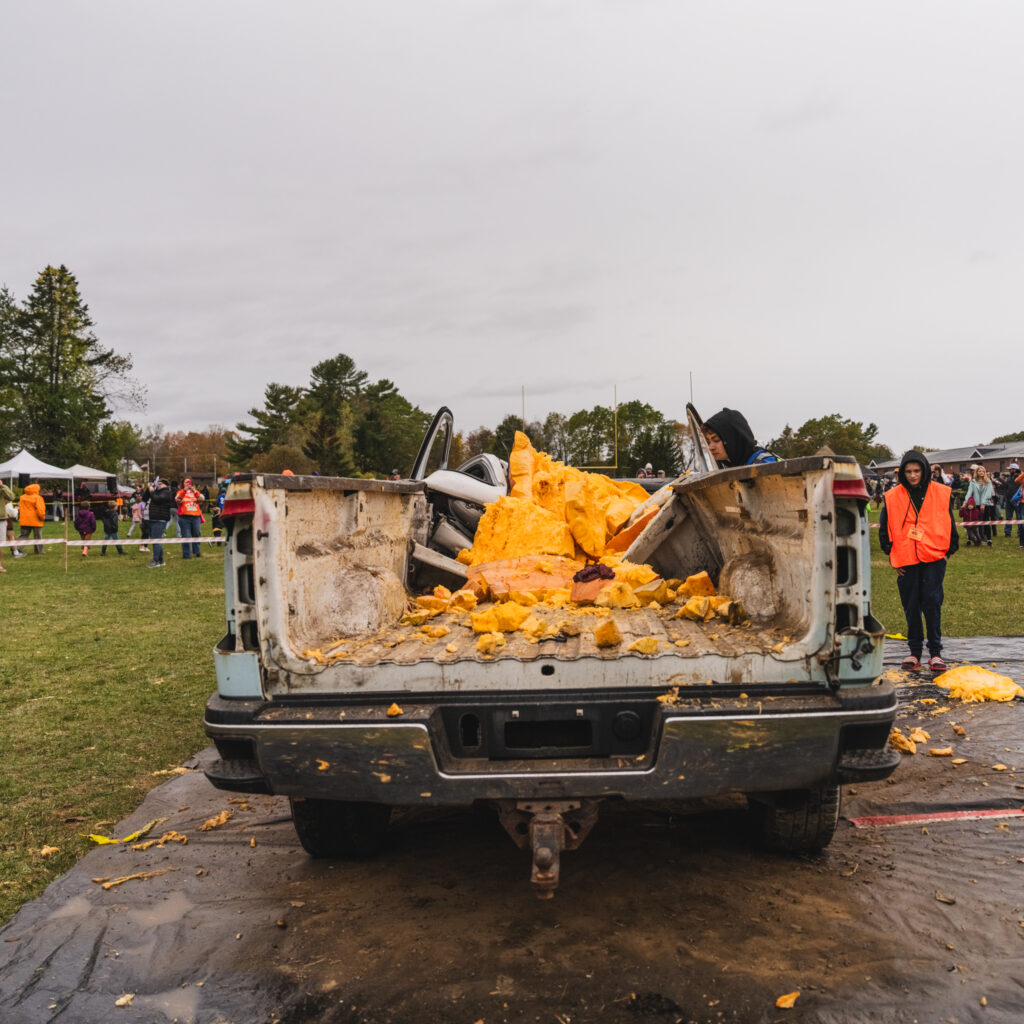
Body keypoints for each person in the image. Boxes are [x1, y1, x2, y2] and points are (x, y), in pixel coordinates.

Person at [879, 450, 958, 673]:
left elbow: (950, 524)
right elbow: (884, 528)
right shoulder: (893, 496)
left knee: (932, 604)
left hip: (933, 557)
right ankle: (914, 652)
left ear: (924, 470)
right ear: (902, 473)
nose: (913, 475)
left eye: (917, 470)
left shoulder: (941, 492)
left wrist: (947, 552)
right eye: (908, 471)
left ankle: (935, 653)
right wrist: (892, 556)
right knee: (911, 606)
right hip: (906, 560)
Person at [702, 409, 779, 467]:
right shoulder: (731, 466)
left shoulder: (766, 465)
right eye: (709, 441)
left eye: (716, 440)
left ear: (733, 439)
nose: (710, 447)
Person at [963, 466, 996, 546]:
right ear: (976, 472)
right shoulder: (973, 482)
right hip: (975, 505)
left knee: (986, 522)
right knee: (972, 523)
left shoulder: (988, 481)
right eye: (979, 471)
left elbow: (988, 493)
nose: (981, 472)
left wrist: (983, 503)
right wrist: (965, 502)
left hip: (986, 505)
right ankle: (971, 539)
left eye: (983, 471)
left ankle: (988, 539)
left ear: (984, 473)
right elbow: (969, 492)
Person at [174, 477, 204, 559]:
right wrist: (184, 491)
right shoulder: (180, 492)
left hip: (196, 517)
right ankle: (187, 554)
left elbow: (202, 499)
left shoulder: (196, 492)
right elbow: (177, 499)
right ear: (183, 484)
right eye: (186, 482)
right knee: (186, 536)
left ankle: (197, 552)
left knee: (197, 534)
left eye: (189, 482)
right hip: (184, 518)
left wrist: (195, 491)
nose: (188, 483)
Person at [147, 479, 172, 568]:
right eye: (157, 484)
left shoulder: (166, 492)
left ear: (166, 485)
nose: (158, 485)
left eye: (160, 484)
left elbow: (158, 500)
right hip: (153, 519)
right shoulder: (157, 492)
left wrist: (152, 492)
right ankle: (160, 560)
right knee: (156, 540)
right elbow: (145, 497)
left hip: (160, 519)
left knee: (156, 541)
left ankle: (156, 561)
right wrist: (149, 488)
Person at [17, 482, 47, 555]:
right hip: (36, 520)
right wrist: (42, 517)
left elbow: (19, 508)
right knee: (37, 536)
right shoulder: (38, 498)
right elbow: (40, 510)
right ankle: (39, 551)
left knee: (23, 535)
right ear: (36, 490)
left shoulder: (22, 497)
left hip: (24, 520)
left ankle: (17, 549)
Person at [1002, 462, 1021, 539]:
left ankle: (1020, 533)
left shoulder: (1020, 477)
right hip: (1009, 500)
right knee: (1008, 517)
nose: (1009, 470)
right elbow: (1006, 487)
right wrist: (1006, 496)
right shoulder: (1009, 478)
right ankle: (1007, 532)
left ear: (1015, 469)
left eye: (1010, 469)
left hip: (1018, 500)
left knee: (1019, 517)